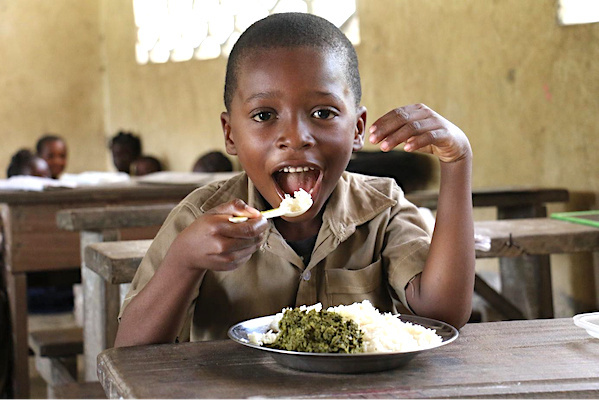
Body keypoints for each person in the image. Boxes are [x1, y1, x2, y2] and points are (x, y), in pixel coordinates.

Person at [115, 13, 474, 347]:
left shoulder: (382, 209)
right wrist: (183, 262)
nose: (296, 136)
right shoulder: (199, 218)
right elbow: (131, 354)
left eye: (323, 112)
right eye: (264, 114)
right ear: (230, 135)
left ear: (357, 129)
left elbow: (441, 317)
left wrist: (457, 162)